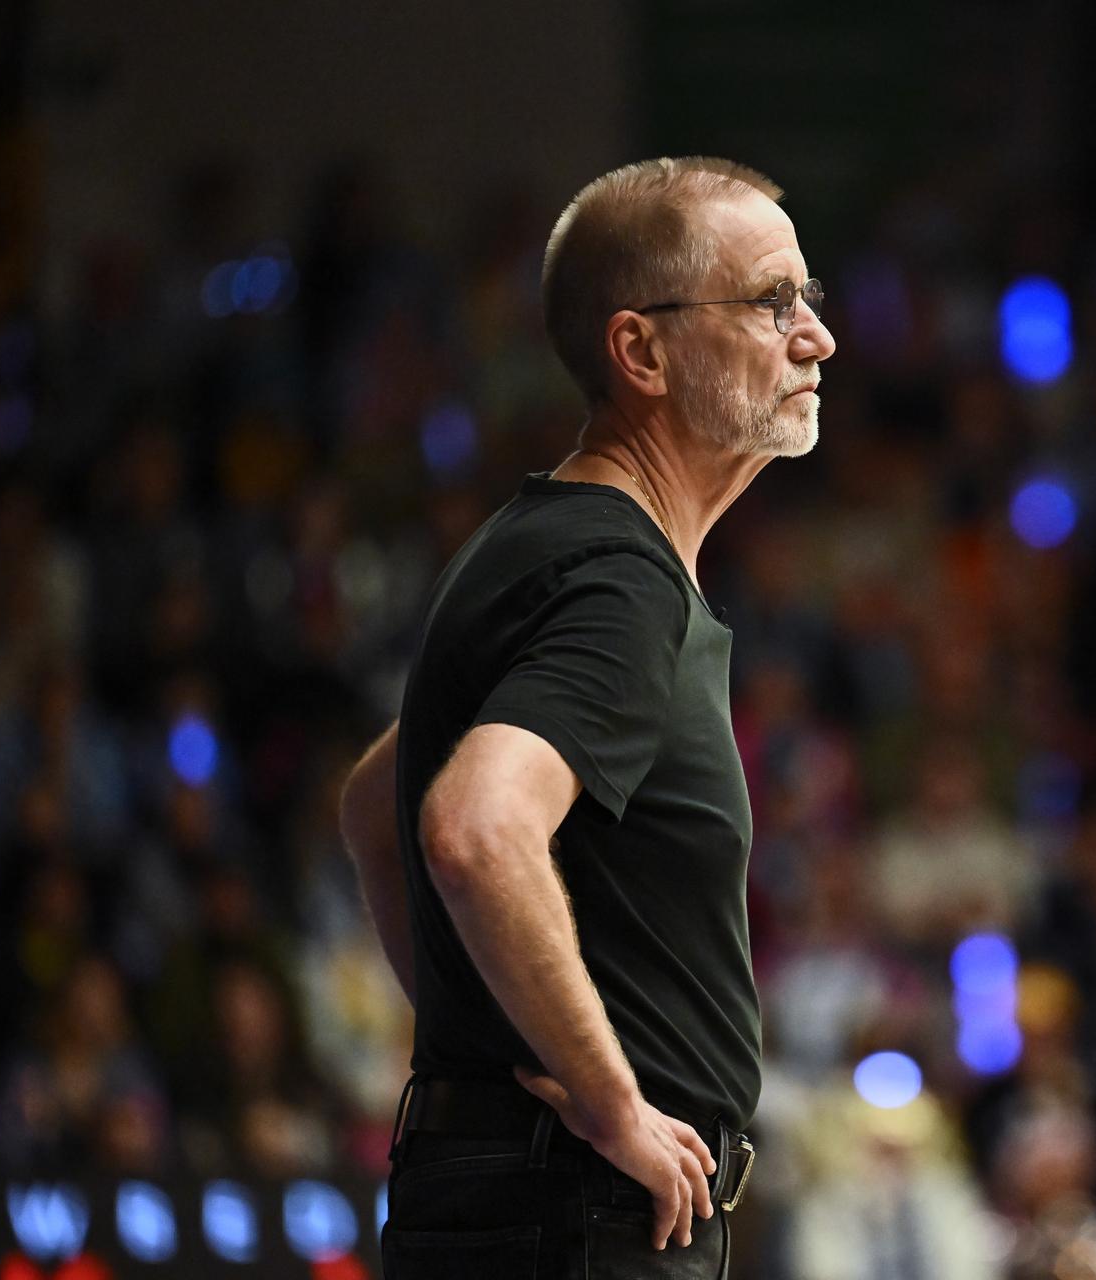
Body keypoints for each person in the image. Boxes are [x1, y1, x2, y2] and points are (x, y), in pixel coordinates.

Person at [337, 155, 835, 1278]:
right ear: (640, 350)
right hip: (584, 1217)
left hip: (529, 1199)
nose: (815, 336)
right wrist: (611, 1103)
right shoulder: (617, 575)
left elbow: (379, 801)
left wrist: (502, 1039)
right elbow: (470, 824)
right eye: (770, 301)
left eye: (808, 297)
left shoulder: (547, 538)